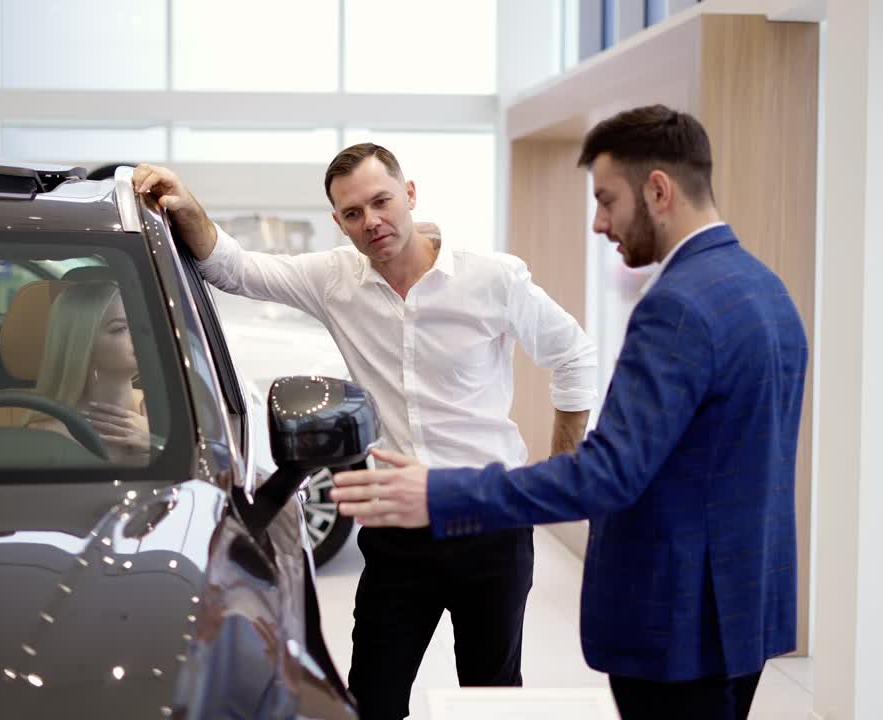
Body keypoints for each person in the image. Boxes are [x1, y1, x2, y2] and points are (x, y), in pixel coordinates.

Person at [329, 106, 809, 720]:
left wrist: (440, 492)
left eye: (607, 199)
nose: (599, 222)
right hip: (744, 604)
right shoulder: (762, 288)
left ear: (658, 190)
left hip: (679, 616)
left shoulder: (678, 307)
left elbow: (608, 473)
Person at [133, 145, 600, 720]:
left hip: (490, 521)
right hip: (396, 528)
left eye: (381, 201)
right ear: (339, 222)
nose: (371, 221)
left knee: (490, 694)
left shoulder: (491, 277)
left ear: (409, 194)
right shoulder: (335, 279)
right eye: (353, 213)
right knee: (372, 697)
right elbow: (233, 266)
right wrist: (183, 204)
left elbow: (574, 354)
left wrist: (562, 473)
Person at [27, 280, 151, 464]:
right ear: (83, 344)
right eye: (120, 329)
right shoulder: (46, 435)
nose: (139, 335)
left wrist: (157, 444)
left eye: (139, 324)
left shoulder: (166, 413)